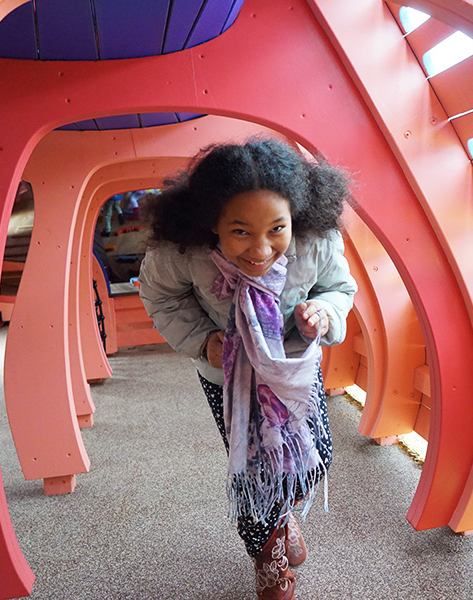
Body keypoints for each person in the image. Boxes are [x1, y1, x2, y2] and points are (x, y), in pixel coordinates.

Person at [136, 138, 357, 600]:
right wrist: (202, 340)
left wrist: (324, 312)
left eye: (277, 228)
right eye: (240, 231)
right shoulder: (181, 253)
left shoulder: (316, 242)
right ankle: (268, 554)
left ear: (296, 216)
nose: (261, 249)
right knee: (255, 467)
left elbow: (339, 288)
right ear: (211, 223)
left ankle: (285, 509)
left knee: (315, 459)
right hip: (228, 379)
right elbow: (161, 297)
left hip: (294, 371)